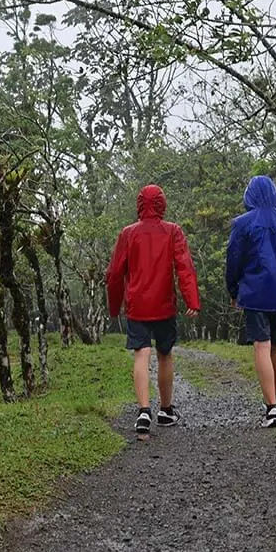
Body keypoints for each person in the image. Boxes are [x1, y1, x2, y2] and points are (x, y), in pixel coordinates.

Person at [106, 184, 201, 435]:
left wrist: (114, 305)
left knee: (141, 354)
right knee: (165, 354)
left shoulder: (128, 234)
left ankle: (143, 411)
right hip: (164, 304)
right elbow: (184, 267)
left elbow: (115, 273)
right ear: (162, 204)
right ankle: (166, 410)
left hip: (137, 305)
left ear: (139, 204)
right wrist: (192, 300)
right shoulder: (173, 232)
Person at [225, 175, 276, 428]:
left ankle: (271, 408)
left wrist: (233, 289)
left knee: (261, 345)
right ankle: (274, 400)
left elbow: (234, 259)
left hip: (255, 290)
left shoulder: (242, 224)